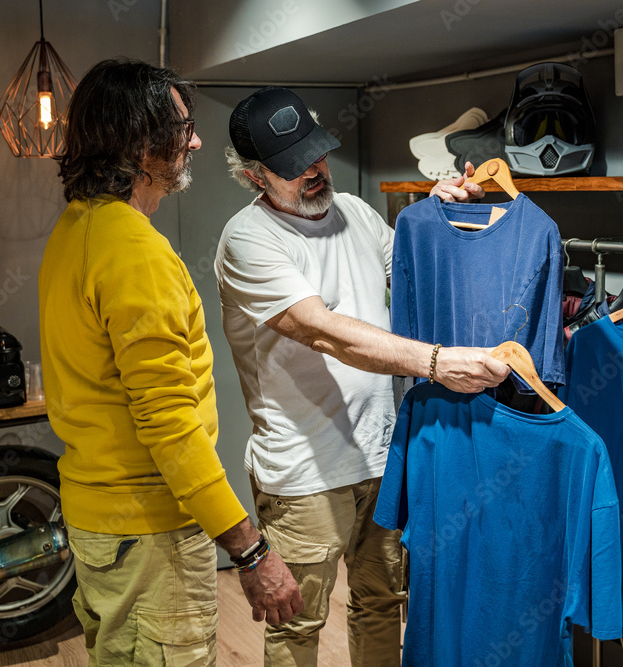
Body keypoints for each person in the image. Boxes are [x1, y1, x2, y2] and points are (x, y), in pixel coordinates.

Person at [216, 86, 511, 666]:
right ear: (254, 176)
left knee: (382, 603)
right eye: (293, 165)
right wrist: (434, 362)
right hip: (305, 474)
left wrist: (439, 210)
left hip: (383, 456)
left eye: (317, 152)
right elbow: (324, 330)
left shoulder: (356, 212)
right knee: (298, 623)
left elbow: (416, 275)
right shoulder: (248, 240)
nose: (314, 170)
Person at [39, 61, 302, 666]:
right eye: (184, 127)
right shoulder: (135, 253)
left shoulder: (77, 229)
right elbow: (169, 425)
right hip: (150, 531)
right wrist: (251, 550)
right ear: (141, 142)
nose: (198, 140)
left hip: (101, 524)